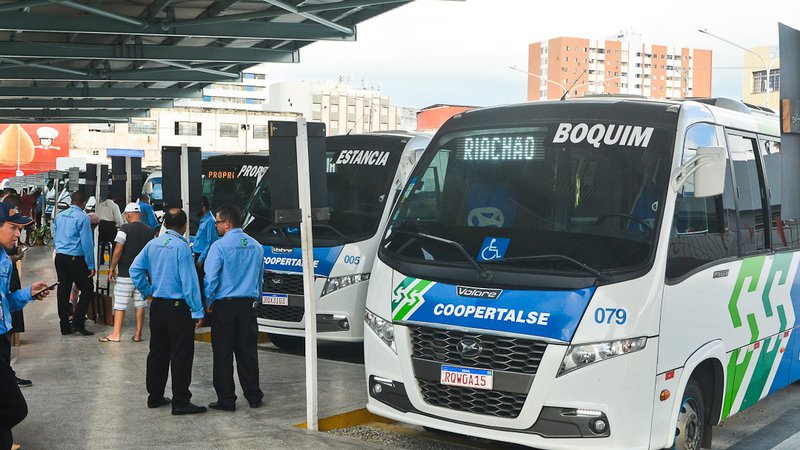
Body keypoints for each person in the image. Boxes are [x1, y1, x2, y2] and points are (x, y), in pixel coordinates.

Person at [129, 208, 206, 415]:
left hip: (158, 306)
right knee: (181, 354)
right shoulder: (182, 248)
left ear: (164, 224)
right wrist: (197, 311)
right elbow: (189, 282)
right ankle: (180, 401)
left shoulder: (152, 244)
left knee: (157, 353)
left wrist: (148, 291)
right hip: (178, 308)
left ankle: (154, 396)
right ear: (184, 225)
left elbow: (134, 270)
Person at [0, 202, 53, 450]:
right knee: (14, 408)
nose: (18, 234)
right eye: (13, 227)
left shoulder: (4, 260)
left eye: (20, 228)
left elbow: (5, 303)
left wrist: (27, 294)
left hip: (3, 339)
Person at [204, 205, 264, 411]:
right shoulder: (256, 246)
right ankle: (254, 396)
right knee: (248, 353)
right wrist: (258, 298)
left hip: (225, 306)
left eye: (218, 222)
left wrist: (209, 301)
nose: (216, 226)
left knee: (223, 353)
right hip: (248, 306)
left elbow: (211, 278)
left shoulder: (219, 247)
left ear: (227, 224)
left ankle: (226, 399)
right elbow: (259, 277)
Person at [101, 203, 154, 343]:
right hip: (143, 274)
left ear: (129, 214)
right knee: (140, 304)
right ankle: (138, 335)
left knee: (120, 304)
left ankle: (116, 334)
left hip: (126, 273)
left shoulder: (124, 228)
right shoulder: (149, 231)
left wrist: (112, 267)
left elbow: (118, 248)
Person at [53, 191, 95, 336]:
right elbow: (87, 243)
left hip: (60, 257)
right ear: (84, 203)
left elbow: (55, 237)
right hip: (75, 258)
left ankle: (64, 325)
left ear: (72, 201)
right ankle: (78, 322)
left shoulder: (59, 216)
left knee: (63, 291)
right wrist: (91, 264)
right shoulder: (83, 218)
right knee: (88, 287)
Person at [96, 196, 124, 263]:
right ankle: (112, 261)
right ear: (113, 199)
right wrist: (122, 226)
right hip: (110, 226)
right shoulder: (114, 205)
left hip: (100, 225)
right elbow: (118, 219)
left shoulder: (100, 205)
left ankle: (100, 260)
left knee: (100, 244)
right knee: (112, 244)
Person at [192, 197, 217, 268]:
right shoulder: (204, 220)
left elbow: (210, 242)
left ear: (203, 207)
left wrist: (201, 259)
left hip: (203, 256)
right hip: (197, 254)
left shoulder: (210, 221)